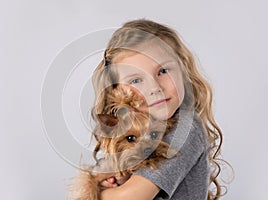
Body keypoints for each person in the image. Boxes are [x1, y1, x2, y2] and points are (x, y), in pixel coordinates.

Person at [90, 19, 231, 200]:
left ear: (183, 70)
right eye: (136, 80)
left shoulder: (184, 129)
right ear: (117, 89)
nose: (155, 87)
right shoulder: (129, 131)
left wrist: (99, 192)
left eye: (163, 71)